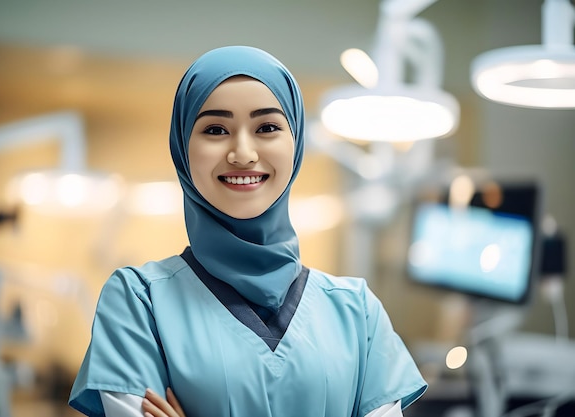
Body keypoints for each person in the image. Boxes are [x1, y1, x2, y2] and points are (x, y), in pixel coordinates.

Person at [68, 45, 427, 417]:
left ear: (297, 142)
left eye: (268, 127)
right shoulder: (138, 301)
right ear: (182, 148)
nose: (243, 153)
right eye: (216, 129)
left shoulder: (357, 312)